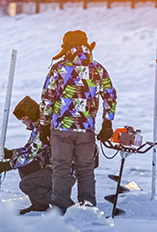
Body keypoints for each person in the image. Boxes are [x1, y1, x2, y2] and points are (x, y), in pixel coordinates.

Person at [39, 30, 117, 212]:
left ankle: (60, 208)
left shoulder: (58, 68)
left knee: (62, 168)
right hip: (87, 129)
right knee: (86, 169)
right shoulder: (98, 68)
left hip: (61, 129)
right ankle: (88, 208)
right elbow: (110, 96)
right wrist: (107, 122)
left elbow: (47, 98)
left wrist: (44, 124)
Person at [0, 95, 53, 214]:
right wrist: (9, 153)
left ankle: (60, 201)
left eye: (24, 118)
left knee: (26, 184)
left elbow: (29, 155)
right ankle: (38, 204)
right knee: (24, 166)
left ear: (30, 115)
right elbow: (28, 149)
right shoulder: (37, 128)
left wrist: (7, 165)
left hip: (56, 171)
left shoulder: (43, 129)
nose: (23, 122)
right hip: (46, 167)